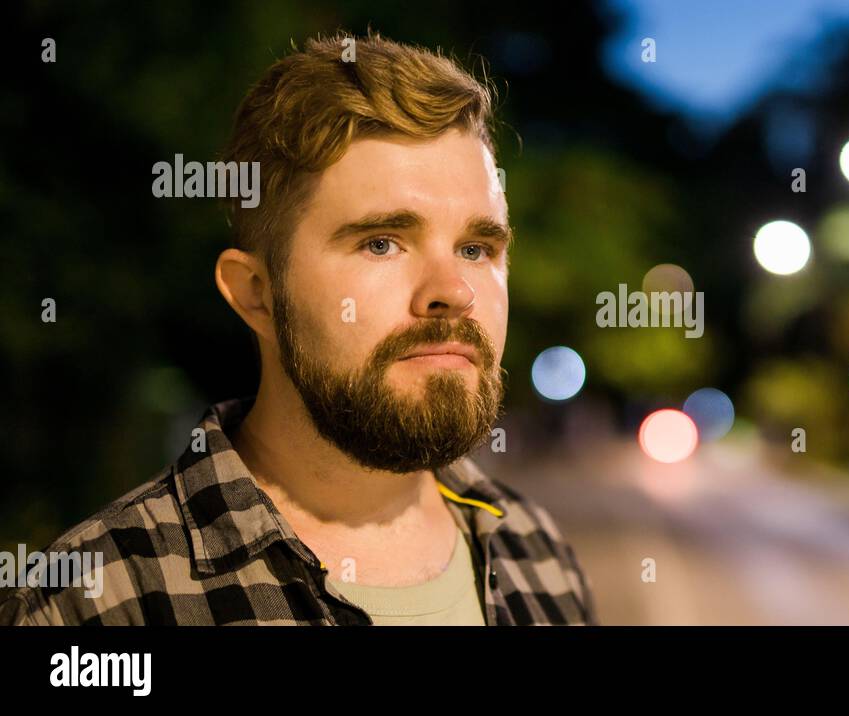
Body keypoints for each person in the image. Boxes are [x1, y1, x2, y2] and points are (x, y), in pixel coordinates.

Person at [0, 32, 597, 626]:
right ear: (256, 294)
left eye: (476, 248)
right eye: (382, 243)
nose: (454, 291)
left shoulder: (537, 553)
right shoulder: (98, 603)